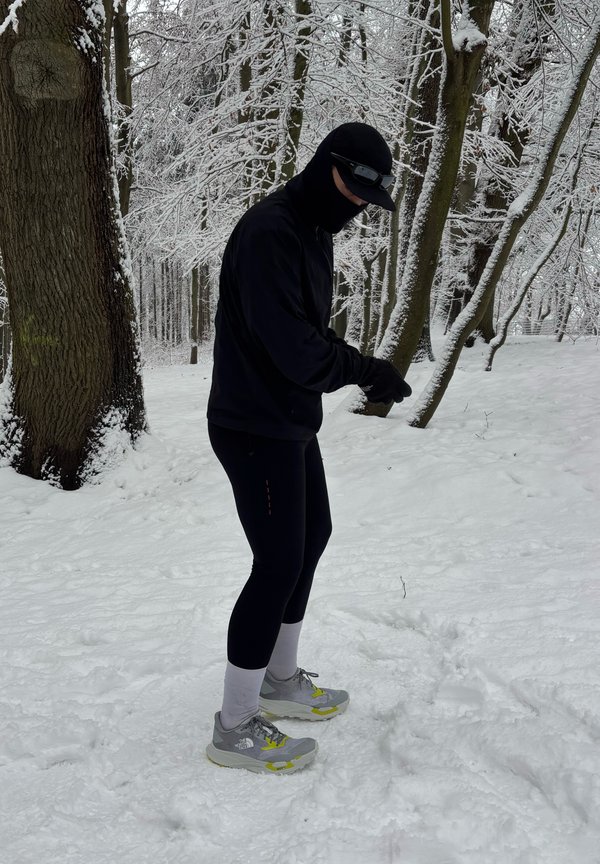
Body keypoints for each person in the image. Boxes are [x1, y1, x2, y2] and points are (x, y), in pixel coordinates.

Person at [205, 122, 412, 774]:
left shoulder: (313, 231)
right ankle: (234, 726)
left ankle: (280, 679)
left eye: (364, 200)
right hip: (251, 425)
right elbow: (294, 349)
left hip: (288, 421)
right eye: (351, 190)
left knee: (311, 537)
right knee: (277, 562)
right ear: (327, 166)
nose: (355, 207)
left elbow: (303, 340)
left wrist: (350, 370)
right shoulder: (270, 233)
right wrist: (366, 369)